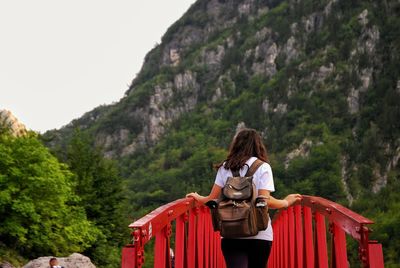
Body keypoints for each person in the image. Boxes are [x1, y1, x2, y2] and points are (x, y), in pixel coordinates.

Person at [186, 128, 302, 268]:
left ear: (236, 145)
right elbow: (264, 201)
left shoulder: (225, 167)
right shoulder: (263, 167)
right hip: (259, 234)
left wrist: (197, 197)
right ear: (258, 146)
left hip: (231, 233)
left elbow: (212, 199)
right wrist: (286, 202)